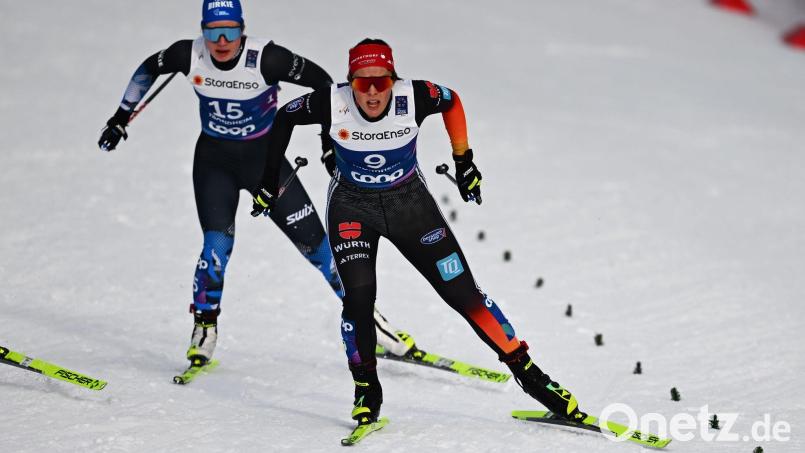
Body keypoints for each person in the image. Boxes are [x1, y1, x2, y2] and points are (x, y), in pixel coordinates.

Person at [251, 38, 587, 427]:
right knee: (358, 302)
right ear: (349, 83)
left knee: (464, 294)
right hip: (351, 209)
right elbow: (284, 118)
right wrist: (267, 181)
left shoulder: (417, 95)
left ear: (394, 79)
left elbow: (453, 101)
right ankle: (366, 390)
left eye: (382, 82)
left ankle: (536, 380)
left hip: (410, 207)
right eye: (362, 84)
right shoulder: (330, 101)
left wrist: (464, 162)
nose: (373, 93)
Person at [97, 2, 415, 368]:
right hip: (214, 164)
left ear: (242, 30)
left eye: (230, 31)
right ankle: (204, 326)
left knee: (319, 247)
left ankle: (369, 323)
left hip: (266, 166)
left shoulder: (268, 59)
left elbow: (324, 83)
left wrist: (329, 142)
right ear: (202, 30)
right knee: (217, 245)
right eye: (213, 31)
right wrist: (122, 115)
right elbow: (147, 69)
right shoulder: (189, 53)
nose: (221, 40)